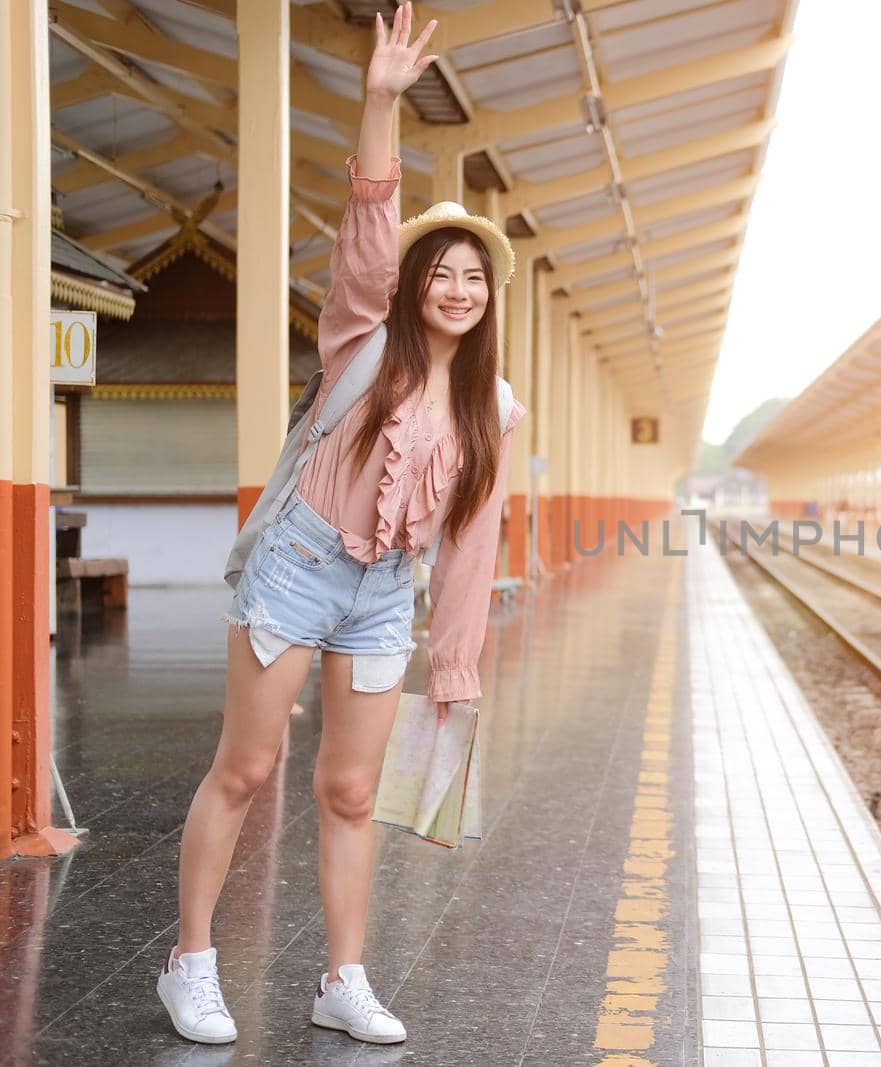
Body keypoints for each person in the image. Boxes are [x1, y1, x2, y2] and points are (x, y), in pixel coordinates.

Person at [157, 4, 524, 1045]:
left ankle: (341, 978)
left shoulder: (496, 410)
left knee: (353, 788)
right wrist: (378, 100)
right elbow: (369, 213)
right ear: (411, 284)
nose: (455, 288)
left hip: (380, 598)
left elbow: (469, 553)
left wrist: (455, 675)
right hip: (295, 569)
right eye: (438, 272)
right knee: (245, 767)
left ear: (488, 299)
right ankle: (190, 963)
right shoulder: (362, 332)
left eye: (472, 278)